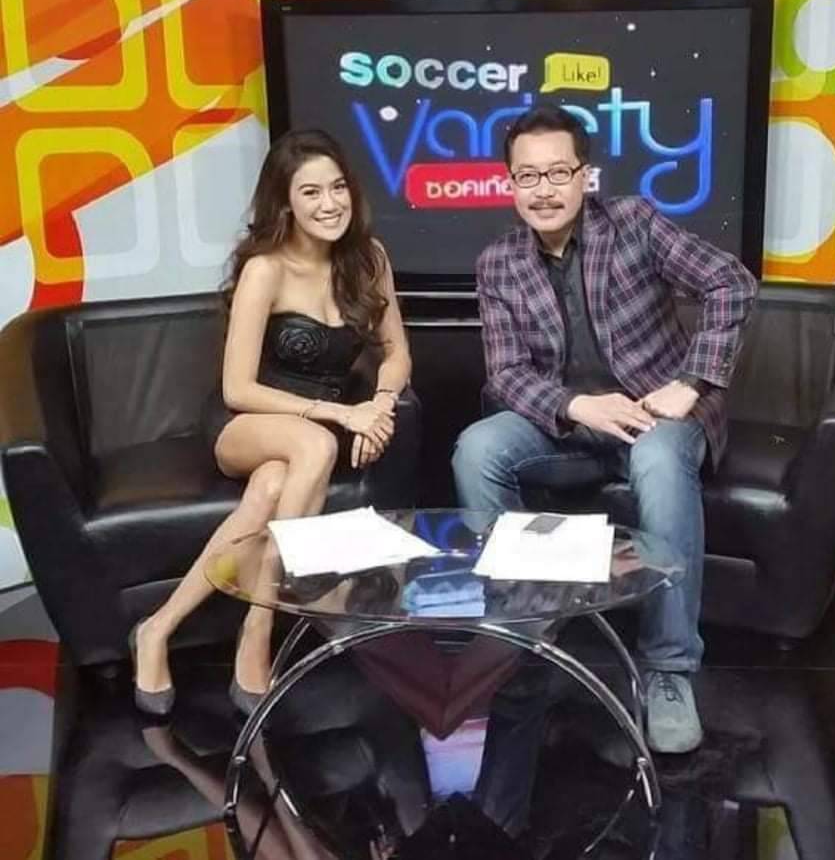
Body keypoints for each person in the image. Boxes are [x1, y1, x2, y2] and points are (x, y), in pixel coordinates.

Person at [451, 105, 757, 754]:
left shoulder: (633, 223)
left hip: (655, 420)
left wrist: (691, 383)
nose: (543, 190)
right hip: (568, 426)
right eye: (527, 176)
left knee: (657, 461)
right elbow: (506, 373)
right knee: (477, 449)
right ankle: (527, 626)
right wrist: (576, 406)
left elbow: (730, 283)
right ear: (509, 183)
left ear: (583, 176)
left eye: (557, 172)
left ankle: (669, 669)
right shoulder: (497, 262)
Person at [130, 129, 412, 716]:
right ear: (286, 203)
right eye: (311, 192)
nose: (330, 203)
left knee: (269, 490)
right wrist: (345, 413)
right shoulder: (265, 269)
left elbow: (396, 353)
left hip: (317, 426)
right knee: (313, 446)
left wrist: (381, 405)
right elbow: (238, 387)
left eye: (338, 187)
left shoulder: (370, 258)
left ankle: (157, 628)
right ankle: (260, 625)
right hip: (248, 417)